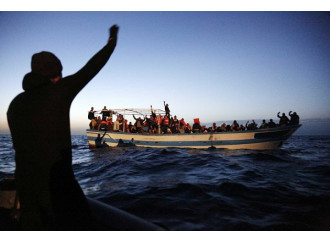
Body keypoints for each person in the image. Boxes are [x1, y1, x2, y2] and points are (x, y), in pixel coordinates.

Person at [7, 25, 119, 230]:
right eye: (59, 72)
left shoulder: (15, 104)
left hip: (28, 193)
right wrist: (111, 43)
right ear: (54, 74)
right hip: (59, 189)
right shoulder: (58, 92)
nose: (60, 77)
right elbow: (91, 68)